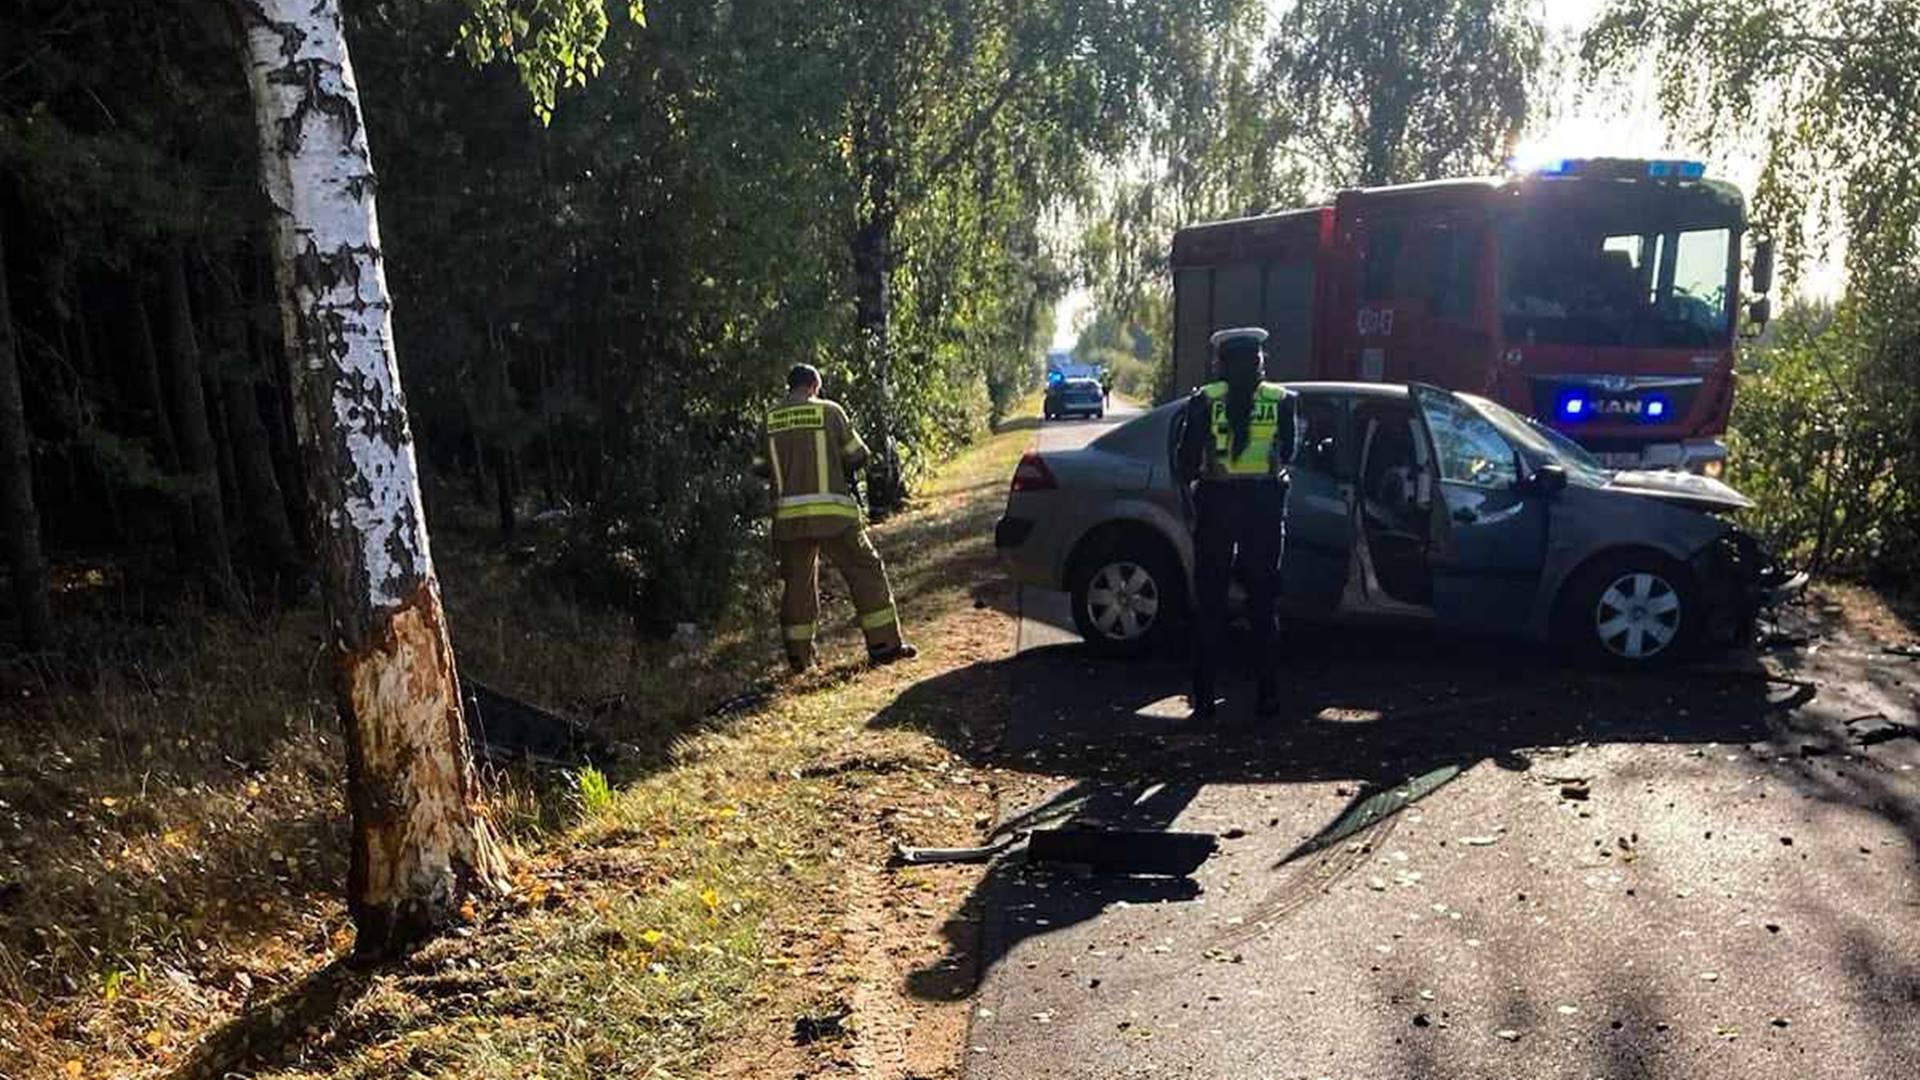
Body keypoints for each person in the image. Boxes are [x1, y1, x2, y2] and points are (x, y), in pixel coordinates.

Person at [756, 365, 916, 673]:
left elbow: (760, 466)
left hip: (788, 520)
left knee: (797, 586)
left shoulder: (769, 419)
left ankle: (800, 661)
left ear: (790, 386)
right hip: (834, 515)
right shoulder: (830, 411)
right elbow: (858, 455)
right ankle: (884, 646)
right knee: (865, 570)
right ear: (814, 385)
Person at [1173, 328, 1298, 719]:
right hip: (1263, 510)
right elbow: (1290, 452)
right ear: (1261, 362)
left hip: (1217, 507)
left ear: (1221, 365)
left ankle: (1205, 699)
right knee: (1264, 606)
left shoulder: (1204, 402)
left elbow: (1186, 462)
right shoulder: (1283, 402)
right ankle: (1267, 698)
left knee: (1210, 605)